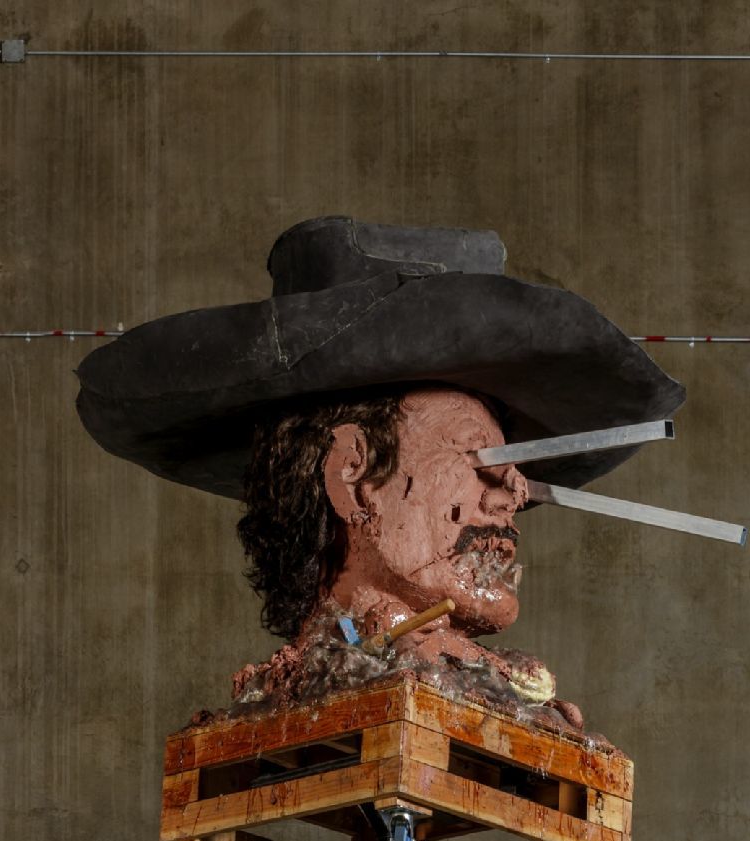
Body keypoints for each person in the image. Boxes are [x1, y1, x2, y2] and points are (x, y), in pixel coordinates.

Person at [77, 215, 683, 728]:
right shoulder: (310, 685)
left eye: (513, 466)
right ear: (352, 472)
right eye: (481, 459)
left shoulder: (509, 691)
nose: (514, 493)